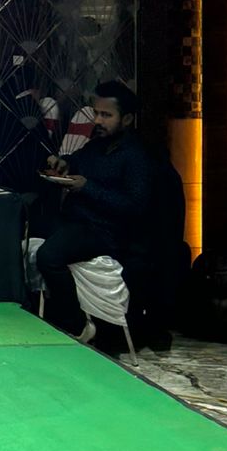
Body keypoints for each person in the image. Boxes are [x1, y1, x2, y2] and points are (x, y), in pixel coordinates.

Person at [36, 80, 153, 342]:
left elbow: (135, 206)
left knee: (48, 256)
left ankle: (75, 324)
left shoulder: (135, 157)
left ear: (127, 119)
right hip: (77, 221)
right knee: (27, 228)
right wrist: (62, 164)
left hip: (106, 231)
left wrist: (87, 187)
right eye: (96, 113)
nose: (98, 121)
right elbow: (76, 161)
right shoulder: (97, 145)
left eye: (106, 115)